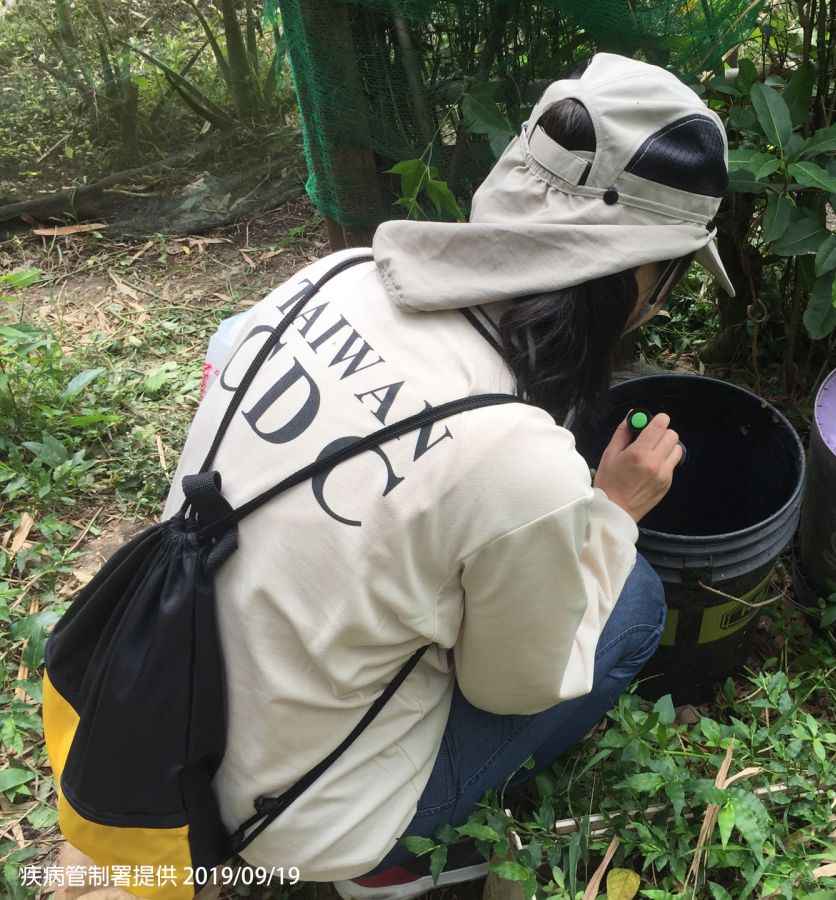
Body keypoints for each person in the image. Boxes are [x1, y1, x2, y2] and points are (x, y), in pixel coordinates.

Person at [161, 52, 734, 898]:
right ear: (640, 276)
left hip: (163, 709)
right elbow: (511, 689)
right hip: (291, 820)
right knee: (637, 599)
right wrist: (612, 512)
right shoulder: (517, 459)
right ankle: (385, 860)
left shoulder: (334, 277)